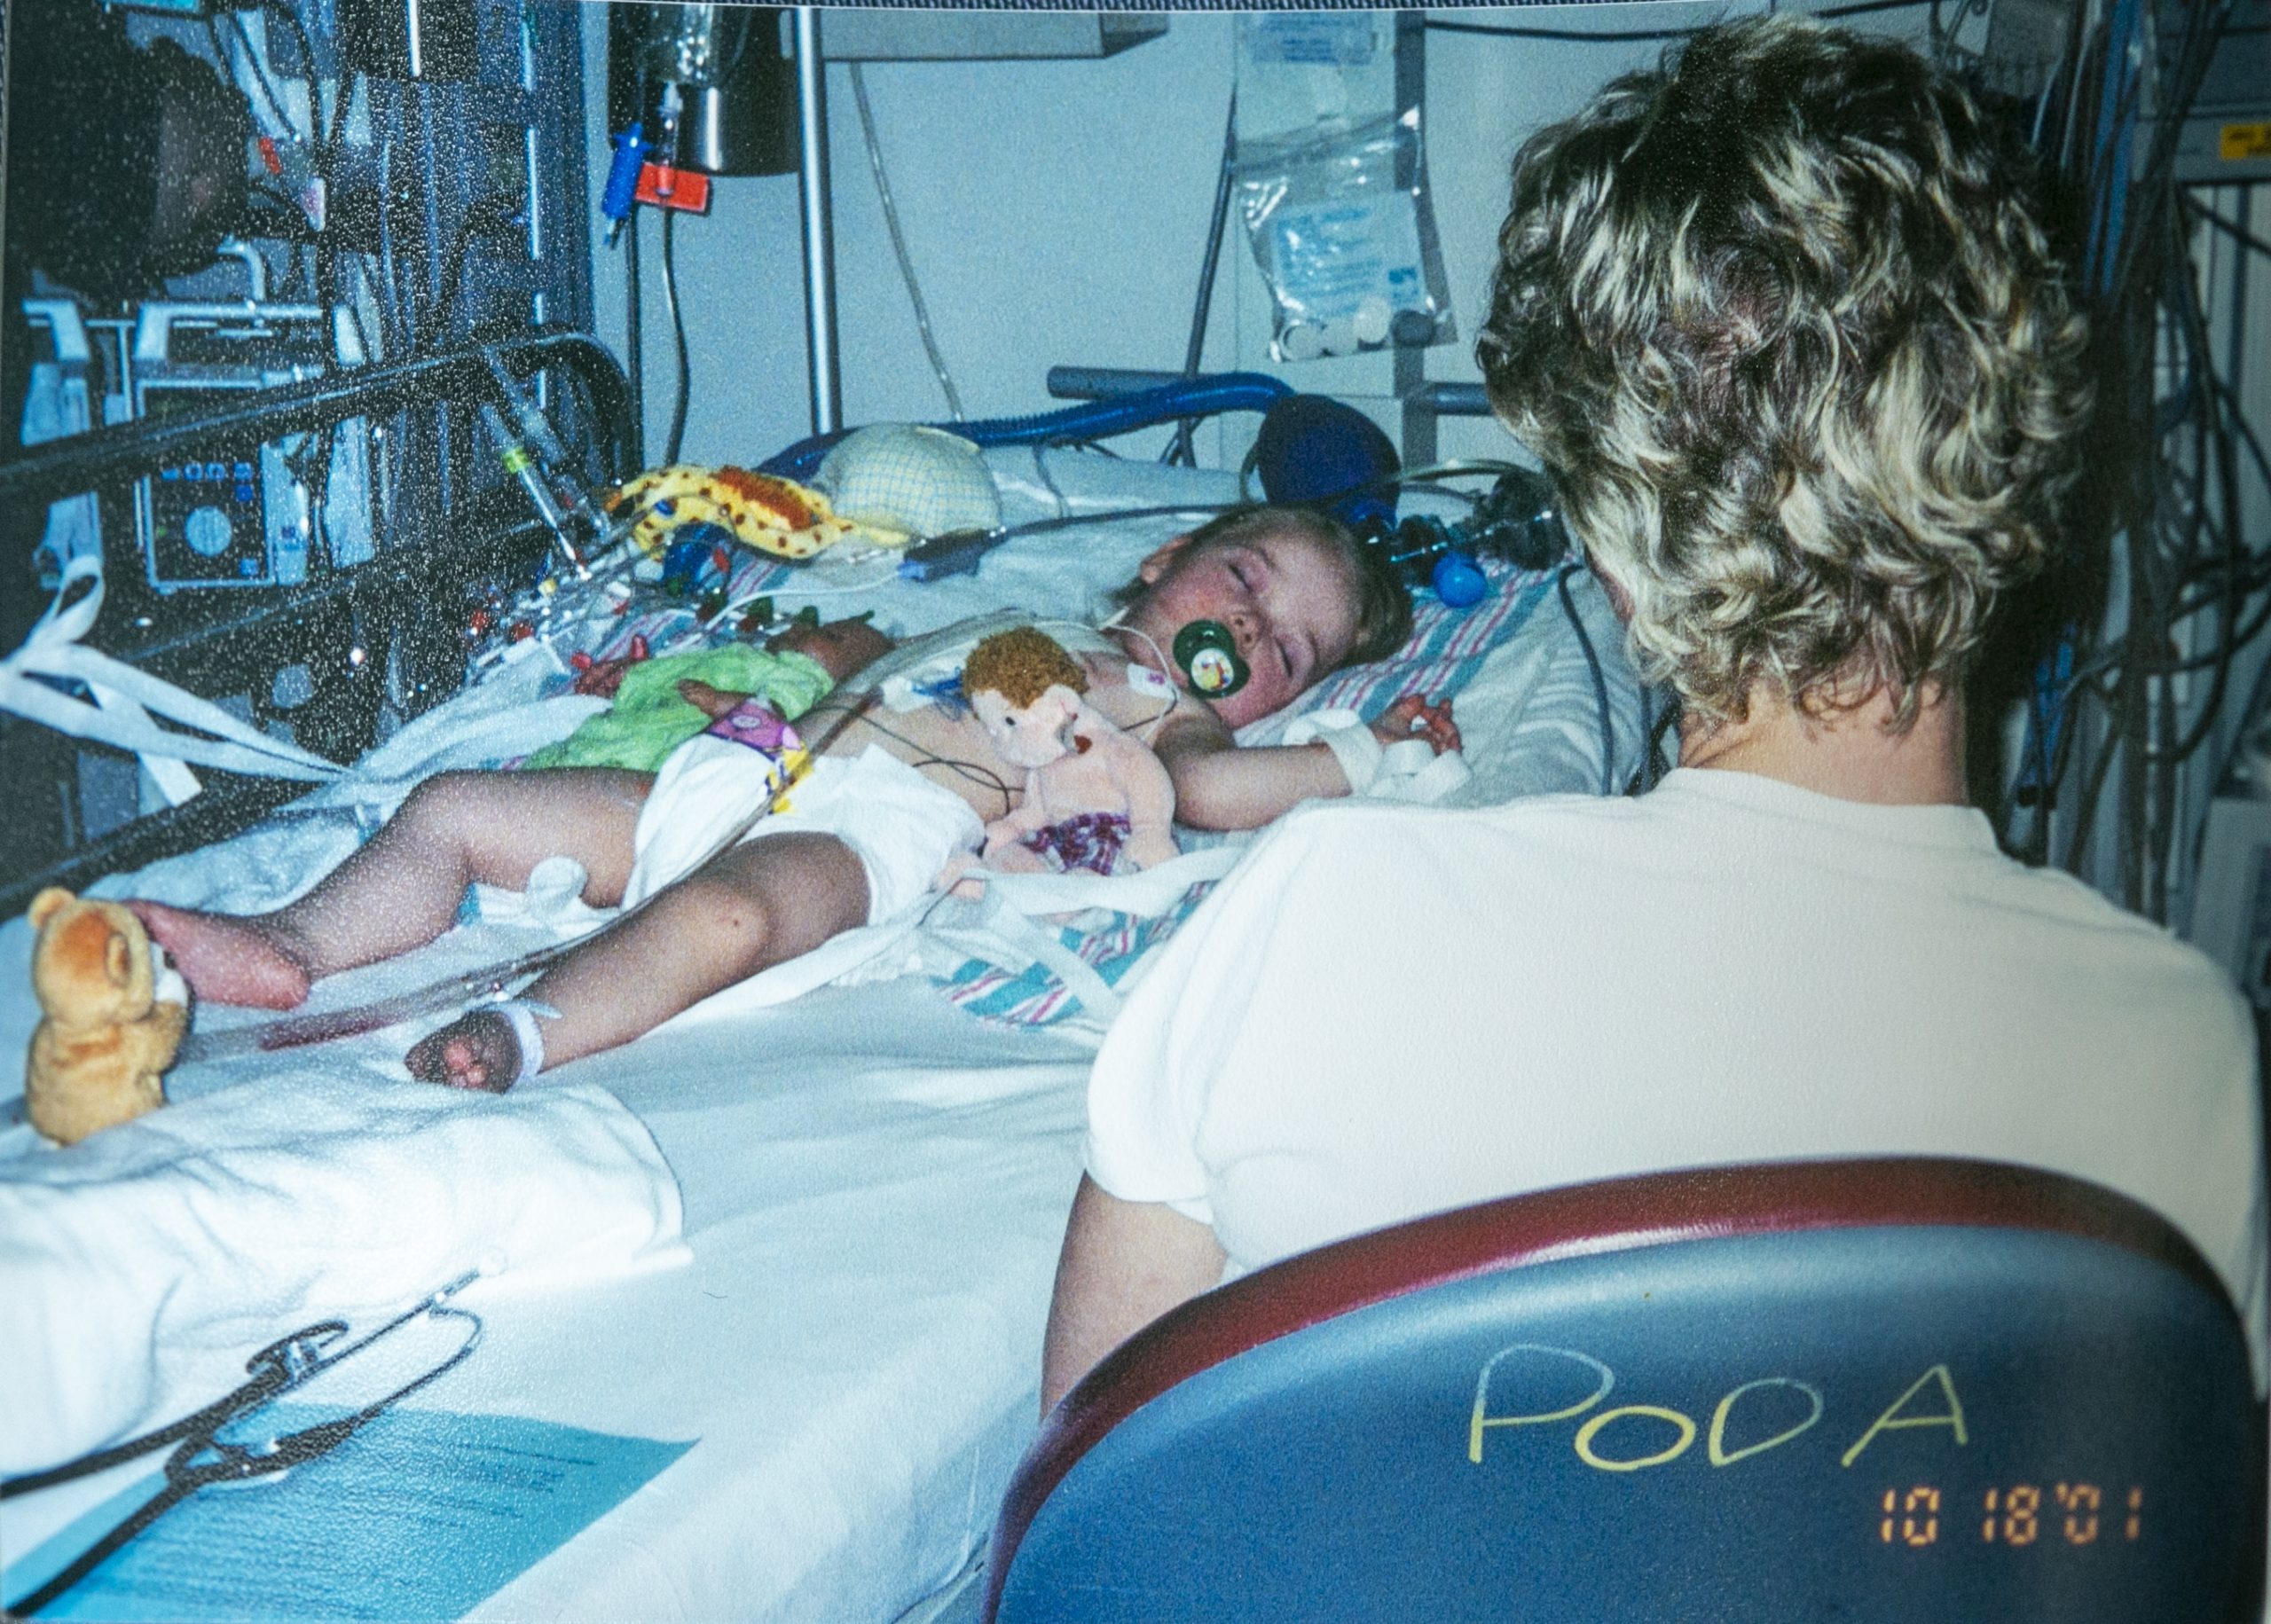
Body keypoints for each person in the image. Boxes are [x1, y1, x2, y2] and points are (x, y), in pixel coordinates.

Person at [1041, 17, 2266, 1414]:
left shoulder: (1318, 926)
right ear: (2022, 468)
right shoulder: (2181, 1057)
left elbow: (1083, 1548)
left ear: (1614, 548)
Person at [135, 505, 1452, 1089]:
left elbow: (1217, 797)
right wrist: (796, 668)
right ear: (1171, 557)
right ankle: (295, 943)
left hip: (872, 835)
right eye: (1247, 579)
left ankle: (527, 1032)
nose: (1251, 629)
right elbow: (879, 659)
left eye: (1290, 653)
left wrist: (1365, 752)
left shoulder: (1166, 720)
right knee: (461, 802)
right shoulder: (1030, 615)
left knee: (728, 917)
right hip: (750, 768)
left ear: (1280, 698)